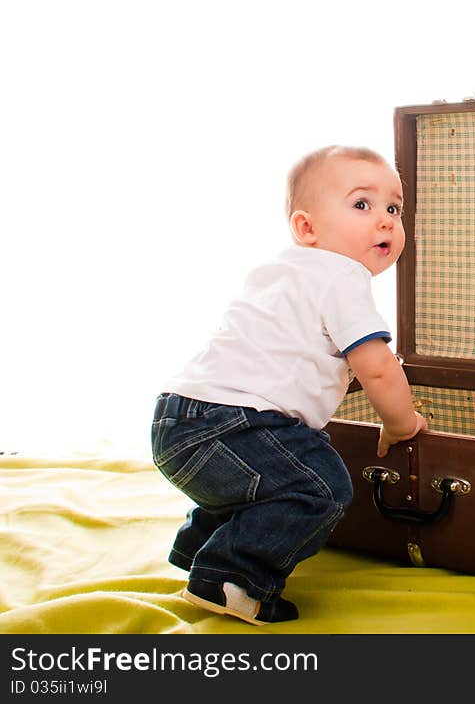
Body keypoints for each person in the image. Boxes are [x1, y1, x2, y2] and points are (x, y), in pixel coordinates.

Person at [150, 145, 428, 625]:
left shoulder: (277, 272)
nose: (385, 220)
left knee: (258, 481)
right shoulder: (343, 277)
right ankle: (232, 576)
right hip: (233, 422)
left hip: (177, 419)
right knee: (319, 486)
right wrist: (401, 423)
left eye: (394, 208)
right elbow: (378, 368)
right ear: (307, 228)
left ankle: (197, 547)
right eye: (362, 205)